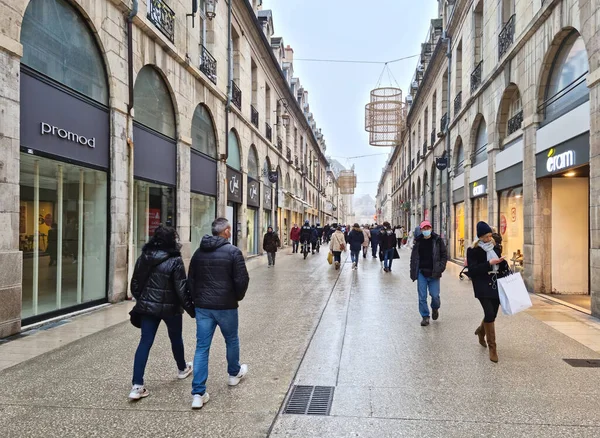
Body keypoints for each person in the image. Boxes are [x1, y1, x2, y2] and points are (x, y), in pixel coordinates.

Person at [188, 218, 250, 409]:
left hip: (204, 307)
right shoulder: (233, 252)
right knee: (231, 339)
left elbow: (190, 280)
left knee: (202, 347)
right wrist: (235, 297)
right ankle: (233, 374)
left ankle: (198, 393)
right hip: (226, 306)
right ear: (226, 231)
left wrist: (195, 301)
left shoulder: (198, 253)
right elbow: (242, 280)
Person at [128, 225, 195, 401]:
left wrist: (144, 299)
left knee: (145, 342)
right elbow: (181, 289)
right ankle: (182, 369)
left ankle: (137, 386)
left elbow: (134, 283)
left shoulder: (144, 257)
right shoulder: (175, 260)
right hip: (170, 308)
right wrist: (192, 310)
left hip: (148, 308)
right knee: (176, 339)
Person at [467, 221, 510, 363]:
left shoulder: (495, 247)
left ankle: (481, 330)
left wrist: (502, 262)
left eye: (490, 236)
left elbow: (500, 264)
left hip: (496, 283)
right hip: (482, 284)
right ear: (479, 237)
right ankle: (493, 348)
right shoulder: (473, 250)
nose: (488, 239)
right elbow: (472, 270)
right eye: (486, 237)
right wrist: (488, 264)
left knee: (492, 314)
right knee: (489, 313)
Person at [410, 221, 448, 326]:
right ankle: (425, 316)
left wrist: (441, 267)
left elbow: (444, 254)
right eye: (424, 228)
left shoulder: (437, 240)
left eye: (428, 228)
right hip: (421, 272)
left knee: (435, 296)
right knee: (422, 296)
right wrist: (413, 271)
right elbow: (413, 258)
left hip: (434, 272)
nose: (426, 230)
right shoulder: (418, 242)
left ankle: (435, 308)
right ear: (421, 230)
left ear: (431, 229)